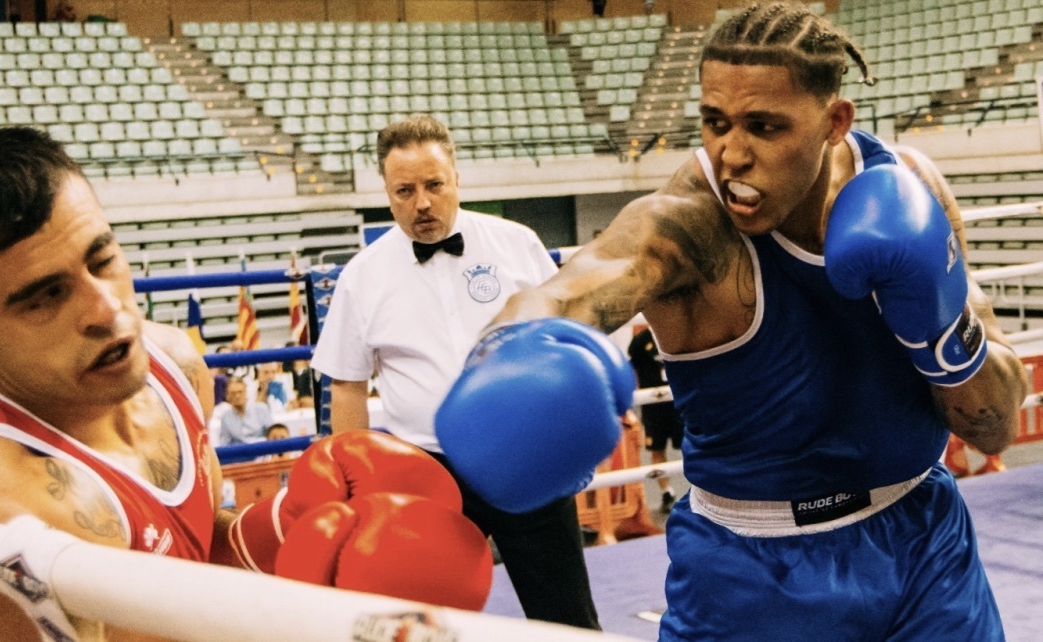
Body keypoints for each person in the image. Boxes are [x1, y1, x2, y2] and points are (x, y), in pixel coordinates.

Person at [435, 4, 1029, 641]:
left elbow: (995, 427)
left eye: (764, 127)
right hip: (751, 575)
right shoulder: (685, 226)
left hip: (925, 545)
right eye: (715, 123)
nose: (731, 154)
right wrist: (513, 349)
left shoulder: (908, 184)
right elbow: (566, 293)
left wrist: (943, 335)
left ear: (835, 122)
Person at [0, 128, 493, 640]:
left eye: (102, 260)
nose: (107, 310)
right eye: (46, 296)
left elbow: (199, 552)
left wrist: (289, 525)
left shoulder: (172, 365)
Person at [311, 115, 601, 629]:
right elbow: (348, 385)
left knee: (567, 620)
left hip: (524, 455)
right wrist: (357, 492)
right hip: (426, 471)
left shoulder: (516, 244)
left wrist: (569, 442)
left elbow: (562, 343)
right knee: (420, 622)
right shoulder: (362, 276)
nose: (421, 203)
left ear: (456, 179)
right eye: (404, 191)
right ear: (387, 193)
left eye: (434, 185)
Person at [627, 326, 683, 512]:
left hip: (679, 402)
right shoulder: (640, 342)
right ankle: (666, 492)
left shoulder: (677, 331)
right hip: (653, 408)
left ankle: (700, 490)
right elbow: (630, 367)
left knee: (691, 446)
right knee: (657, 450)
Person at [217, 376, 273, 445]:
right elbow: (224, 443)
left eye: (240, 392)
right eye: (233, 393)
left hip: (262, 448)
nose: (237, 396)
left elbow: (272, 434)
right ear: (228, 396)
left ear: (246, 392)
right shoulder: (226, 417)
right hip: (240, 450)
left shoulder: (261, 409)